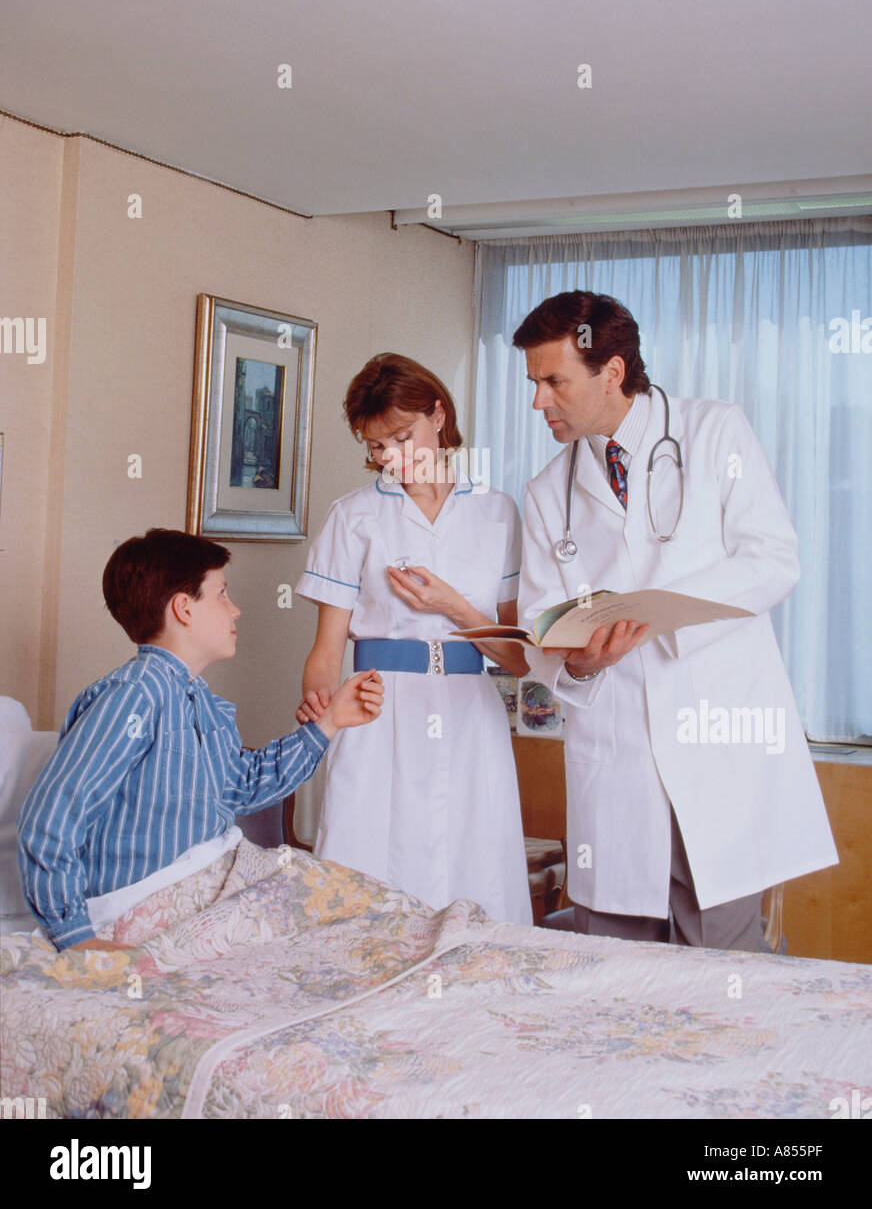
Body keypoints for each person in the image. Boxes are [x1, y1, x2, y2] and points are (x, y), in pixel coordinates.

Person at [512, 291, 838, 951]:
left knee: (726, 964)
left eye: (554, 382)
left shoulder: (715, 432)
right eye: (534, 384)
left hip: (716, 736)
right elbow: (538, 628)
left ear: (613, 372)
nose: (539, 402)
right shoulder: (548, 492)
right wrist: (577, 664)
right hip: (617, 749)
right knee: (615, 964)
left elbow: (774, 559)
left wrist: (661, 618)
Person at [17, 528, 383, 952]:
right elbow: (53, 817)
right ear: (183, 609)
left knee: (365, 915)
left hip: (213, 883)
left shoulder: (203, 702)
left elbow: (243, 787)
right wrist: (74, 936)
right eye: (222, 595)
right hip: (147, 903)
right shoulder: (134, 695)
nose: (236, 610)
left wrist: (330, 722)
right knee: (352, 934)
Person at [294, 353, 532, 925]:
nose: (390, 459)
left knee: (475, 867)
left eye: (402, 438)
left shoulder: (497, 512)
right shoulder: (353, 516)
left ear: (439, 416)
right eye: (377, 447)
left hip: (469, 712)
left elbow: (519, 659)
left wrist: (451, 606)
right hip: (377, 709)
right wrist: (322, 709)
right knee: (367, 872)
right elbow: (326, 653)